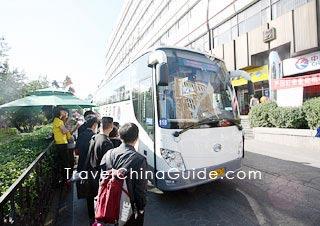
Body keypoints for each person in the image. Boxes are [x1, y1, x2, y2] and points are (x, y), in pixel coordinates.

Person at [100, 123, 147, 226]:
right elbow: (140, 189)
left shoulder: (108, 155)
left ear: (119, 137)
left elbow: (102, 179)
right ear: (137, 138)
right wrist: (141, 208)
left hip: (109, 205)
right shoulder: (139, 160)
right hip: (128, 208)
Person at [86, 117, 114, 223]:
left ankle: (92, 221)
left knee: (91, 202)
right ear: (111, 127)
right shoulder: (107, 142)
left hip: (90, 173)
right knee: (99, 203)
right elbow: (108, 166)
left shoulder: (94, 137)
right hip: (99, 177)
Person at [52, 107, 70, 189]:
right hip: (61, 144)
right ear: (59, 111)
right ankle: (66, 179)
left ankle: (65, 179)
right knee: (65, 163)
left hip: (61, 143)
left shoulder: (58, 120)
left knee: (64, 162)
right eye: (63, 111)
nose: (65, 112)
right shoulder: (58, 120)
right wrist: (68, 129)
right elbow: (64, 131)